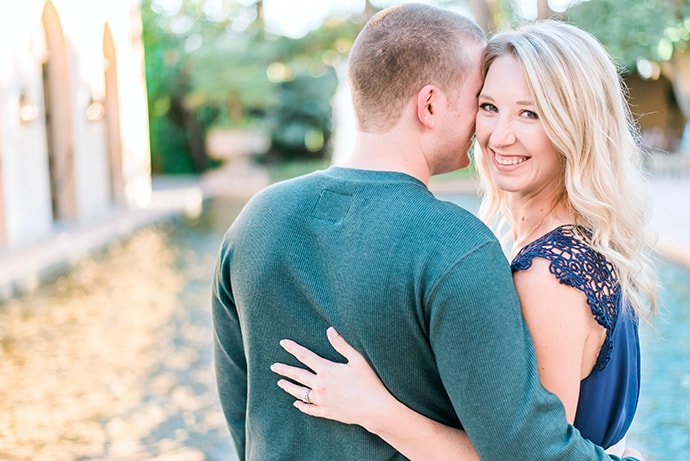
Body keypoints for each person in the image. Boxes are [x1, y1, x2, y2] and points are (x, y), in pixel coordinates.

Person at [213, 4, 645, 460]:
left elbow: (242, 413)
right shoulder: (459, 246)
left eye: (529, 114)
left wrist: (377, 410)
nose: (495, 134)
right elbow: (526, 448)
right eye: (485, 104)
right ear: (431, 105)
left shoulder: (255, 220)